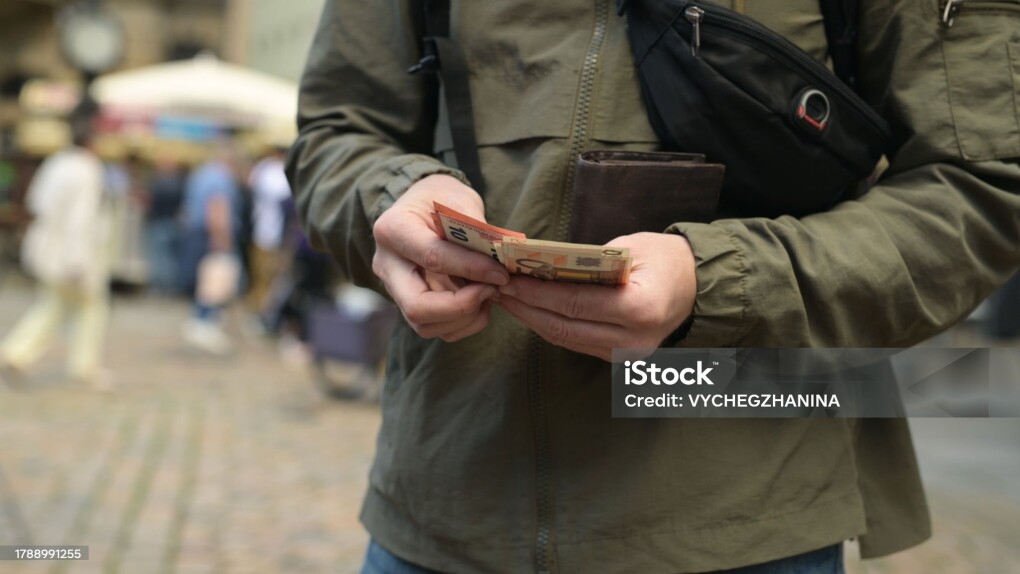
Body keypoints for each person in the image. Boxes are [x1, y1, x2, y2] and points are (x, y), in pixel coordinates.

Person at [287, 2, 1020, 573]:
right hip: (440, 509)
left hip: (745, 528)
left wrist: (715, 281)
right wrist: (394, 194)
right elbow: (338, 129)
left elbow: (980, 188)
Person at [0, 102, 112, 389]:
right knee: (89, 308)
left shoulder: (57, 162)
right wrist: (78, 260)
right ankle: (83, 365)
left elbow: (36, 203)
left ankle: (18, 352)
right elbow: (81, 220)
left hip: (47, 246)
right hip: (69, 253)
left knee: (53, 306)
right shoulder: (87, 170)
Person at [180, 143, 243, 354]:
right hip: (211, 235)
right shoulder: (220, 178)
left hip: (197, 233)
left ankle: (201, 322)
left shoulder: (201, 173)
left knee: (205, 280)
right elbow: (217, 208)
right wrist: (222, 238)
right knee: (214, 282)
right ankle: (204, 323)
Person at [246, 146, 293, 313]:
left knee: (273, 278)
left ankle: (267, 313)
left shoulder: (266, 169)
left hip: (277, 235)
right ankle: (261, 311)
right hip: (268, 234)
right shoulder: (270, 170)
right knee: (264, 276)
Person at [145, 153, 185, 295]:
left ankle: (158, 287)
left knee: (159, 257)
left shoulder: (159, 183)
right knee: (170, 258)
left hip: (160, 222)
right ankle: (169, 287)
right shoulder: (179, 183)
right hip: (173, 223)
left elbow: (152, 203)